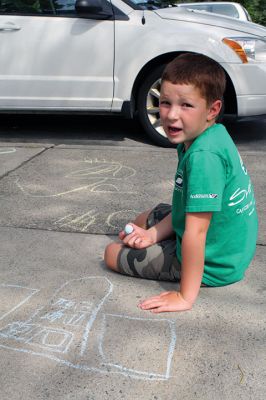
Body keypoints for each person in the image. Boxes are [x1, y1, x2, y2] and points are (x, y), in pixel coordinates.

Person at [104, 53, 258, 313]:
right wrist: (152, 234)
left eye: (186, 105)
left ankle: (183, 275)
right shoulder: (206, 135)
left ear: (212, 110)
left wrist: (185, 297)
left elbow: (195, 233)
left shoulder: (204, 157)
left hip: (215, 261)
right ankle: (156, 236)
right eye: (165, 102)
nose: (172, 115)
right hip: (229, 244)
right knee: (144, 219)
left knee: (110, 253)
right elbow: (185, 207)